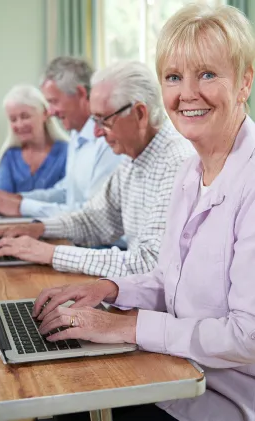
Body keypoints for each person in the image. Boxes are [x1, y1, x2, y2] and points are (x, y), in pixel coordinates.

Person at [34, 5, 255, 421]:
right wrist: (108, 290)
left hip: (224, 399)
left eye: (207, 74)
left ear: (244, 82)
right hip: (175, 372)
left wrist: (125, 326)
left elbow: (247, 337)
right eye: (174, 77)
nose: (187, 93)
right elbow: (169, 280)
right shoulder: (192, 168)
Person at [0, 61, 195, 278]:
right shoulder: (133, 158)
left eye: (104, 120)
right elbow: (95, 220)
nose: (96, 133)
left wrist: (51, 253)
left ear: (140, 114)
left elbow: (151, 263)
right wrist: (39, 228)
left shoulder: (176, 163)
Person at [0, 57, 126, 218]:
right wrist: (16, 199)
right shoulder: (75, 136)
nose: (50, 112)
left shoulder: (107, 142)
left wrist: (23, 206)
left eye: (53, 102)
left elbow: (94, 216)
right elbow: (66, 192)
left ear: (80, 93)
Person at [0, 84, 69, 194]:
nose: (19, 124)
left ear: (44, 114)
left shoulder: (67, 152)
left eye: (25, 117)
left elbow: (67, 197)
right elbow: (0, 201)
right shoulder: (9, 157)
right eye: (13, 119)